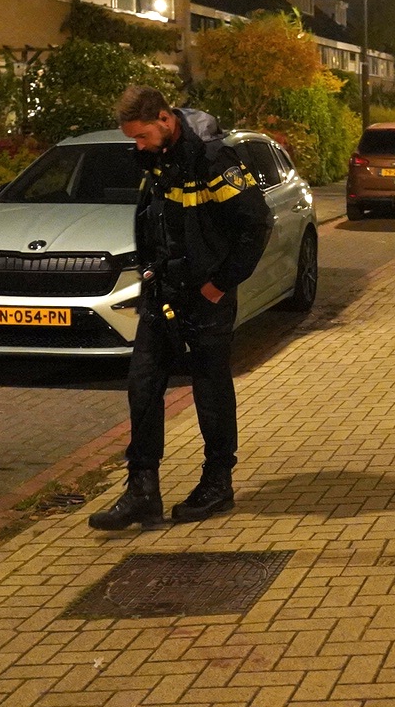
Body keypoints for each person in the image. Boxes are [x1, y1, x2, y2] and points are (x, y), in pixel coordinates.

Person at [89, 86, 272, 529]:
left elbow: (256, 225)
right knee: (143, 388)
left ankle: (217, 483)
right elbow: (157, 222)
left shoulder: (214, 161)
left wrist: (218, 286)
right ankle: (142, 491)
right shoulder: (156, 161)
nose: (137, 145)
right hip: (162, 293)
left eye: (141, 136)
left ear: (166, 120)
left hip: (204, 297)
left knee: (210, 389)